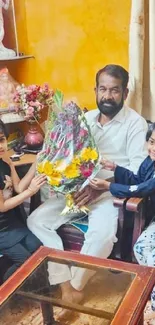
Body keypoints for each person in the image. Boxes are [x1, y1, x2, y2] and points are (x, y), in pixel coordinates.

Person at [27, 64, 147, 320]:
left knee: (102, 236)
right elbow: (67, 154)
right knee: (35, 220)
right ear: (95, 90)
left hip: (108, 193)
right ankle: (64, 283)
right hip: (75, 191)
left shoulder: (135, 124)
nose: (108, 95)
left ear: (125, 93)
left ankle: (77, 287)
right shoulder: (85, 120)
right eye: (103, 89)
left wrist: (102, 187)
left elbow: (139, 170)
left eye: (115, 90)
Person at [89, 122, 155, 319]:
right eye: (152, 141)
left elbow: (141, 189)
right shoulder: (150, 161)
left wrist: (108, 186)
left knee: (143, 246)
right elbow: (137, 180)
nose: (153, 148)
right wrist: (116, 168)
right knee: (143, 248)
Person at [0, 120, 46, 281]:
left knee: (38, 249)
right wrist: (31, 191)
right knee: (26, 262)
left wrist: (36, 163)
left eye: (1, 139)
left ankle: (23, 288)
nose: (1, 145)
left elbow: (18, 188)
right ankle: (6, 294)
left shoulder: (5, 160)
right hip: (2, 231)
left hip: (13, 224)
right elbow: (3, 206)